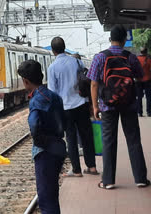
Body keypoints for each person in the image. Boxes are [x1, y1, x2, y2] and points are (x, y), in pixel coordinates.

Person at [87, 25, 149, 189]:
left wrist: (95, 107)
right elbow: (141, 77)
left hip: (107, 106)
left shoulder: (100, 57)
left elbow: (93, 84)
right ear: (124, 40)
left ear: (110, 39)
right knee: (134, 140)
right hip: (129, 104)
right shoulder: (131, 57)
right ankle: (141, 179)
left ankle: (108, 181)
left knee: (108, 141)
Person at [18, 60, 66, 214]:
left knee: (45, 199)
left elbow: (33, 124)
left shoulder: (36, 99)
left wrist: (40, 142)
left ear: (25, 81)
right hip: (59, 147)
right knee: (53, 194)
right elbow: (65, 120)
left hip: (46, 152)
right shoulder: (54, 96)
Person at [48, 37, 98, 177]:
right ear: (64, 47)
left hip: (65, 108)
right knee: (86, 136)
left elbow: (53, 92)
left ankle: (76, 170)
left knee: (71, 138)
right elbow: (85, 77)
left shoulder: (52, 67)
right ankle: (92, 166)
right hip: (81, 104)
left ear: (53, 51)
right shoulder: (76, 61)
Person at [136, 47, 151, 117]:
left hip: (138, 80)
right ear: (146, 52)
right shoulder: (149, 59)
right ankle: (149, 112)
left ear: (140, 52)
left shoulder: (137, 59)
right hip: (148, 80)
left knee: (139, 97)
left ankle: (139, 112)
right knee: (148, 97)